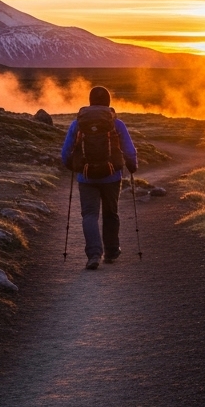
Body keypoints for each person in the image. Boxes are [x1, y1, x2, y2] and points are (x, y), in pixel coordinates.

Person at [60, 86, 138, 270]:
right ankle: (111, 252)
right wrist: (132, 166)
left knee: (89, 215)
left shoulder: (78, 123)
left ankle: (94, 254)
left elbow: (65, 151)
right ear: (108, 102)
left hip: (86, 177)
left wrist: (72, 167)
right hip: (112, 176)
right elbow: (129, 148)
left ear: (90, 101)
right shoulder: (116, 123)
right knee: (111, 213)